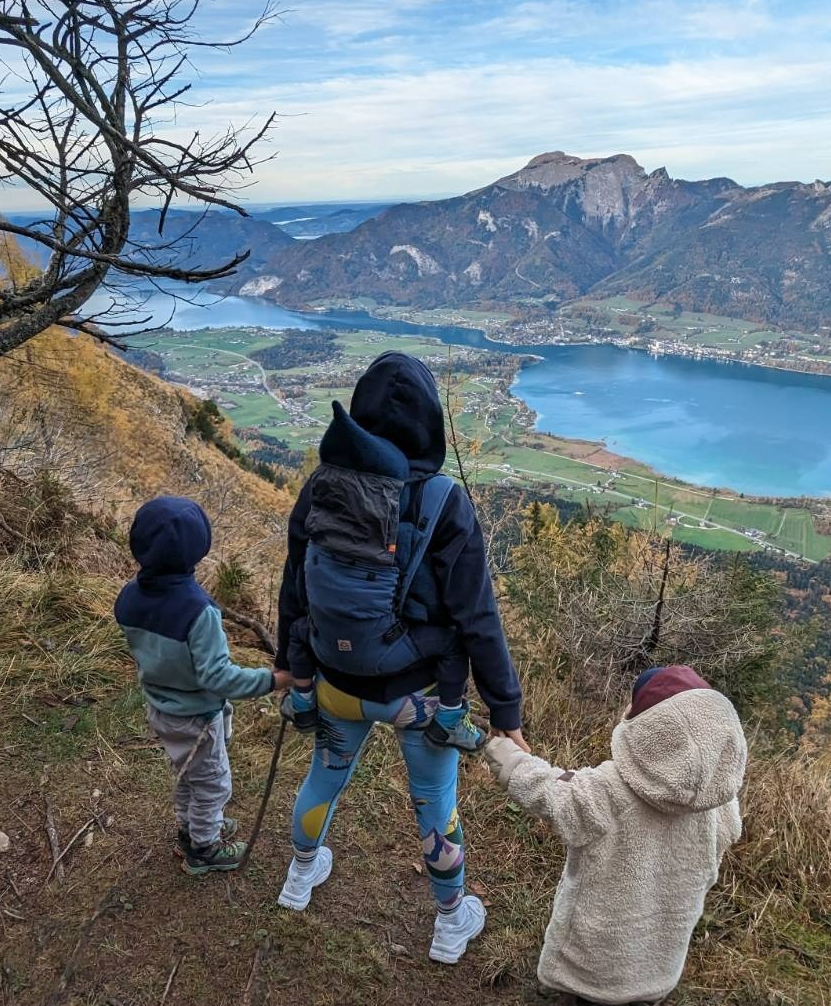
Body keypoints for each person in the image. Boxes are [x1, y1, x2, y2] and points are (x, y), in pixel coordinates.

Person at [274, 351, 529, 964]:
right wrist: (506, 709)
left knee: (323, 777)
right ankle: (449, 922)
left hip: (334, 680)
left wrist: (289, 659)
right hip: (417, 695)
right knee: (434, 802)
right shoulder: (444, 501)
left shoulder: (324, 484)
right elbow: (476, 617)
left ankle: (299, 877)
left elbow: (295, 581)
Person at [482, 666, 746, 1006]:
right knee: (668, 932)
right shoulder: (719, 803)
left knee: (598, 947)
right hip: (664, 951)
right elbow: (730, 834)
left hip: (597, 950)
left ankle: (590, 990)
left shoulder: (613, 790)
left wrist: (511, 761)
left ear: (648, 728)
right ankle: (648, 993)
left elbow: (553, 794)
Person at [115, 496, 290, 875]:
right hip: (196, 717)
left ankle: (191, 827)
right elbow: (217, 676)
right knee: (212, 783)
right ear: (200, 548)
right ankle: (204, 848)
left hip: (161, 707)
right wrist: (272, 680)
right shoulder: (198, 611)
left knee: (186, 775)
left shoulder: (128, 598)